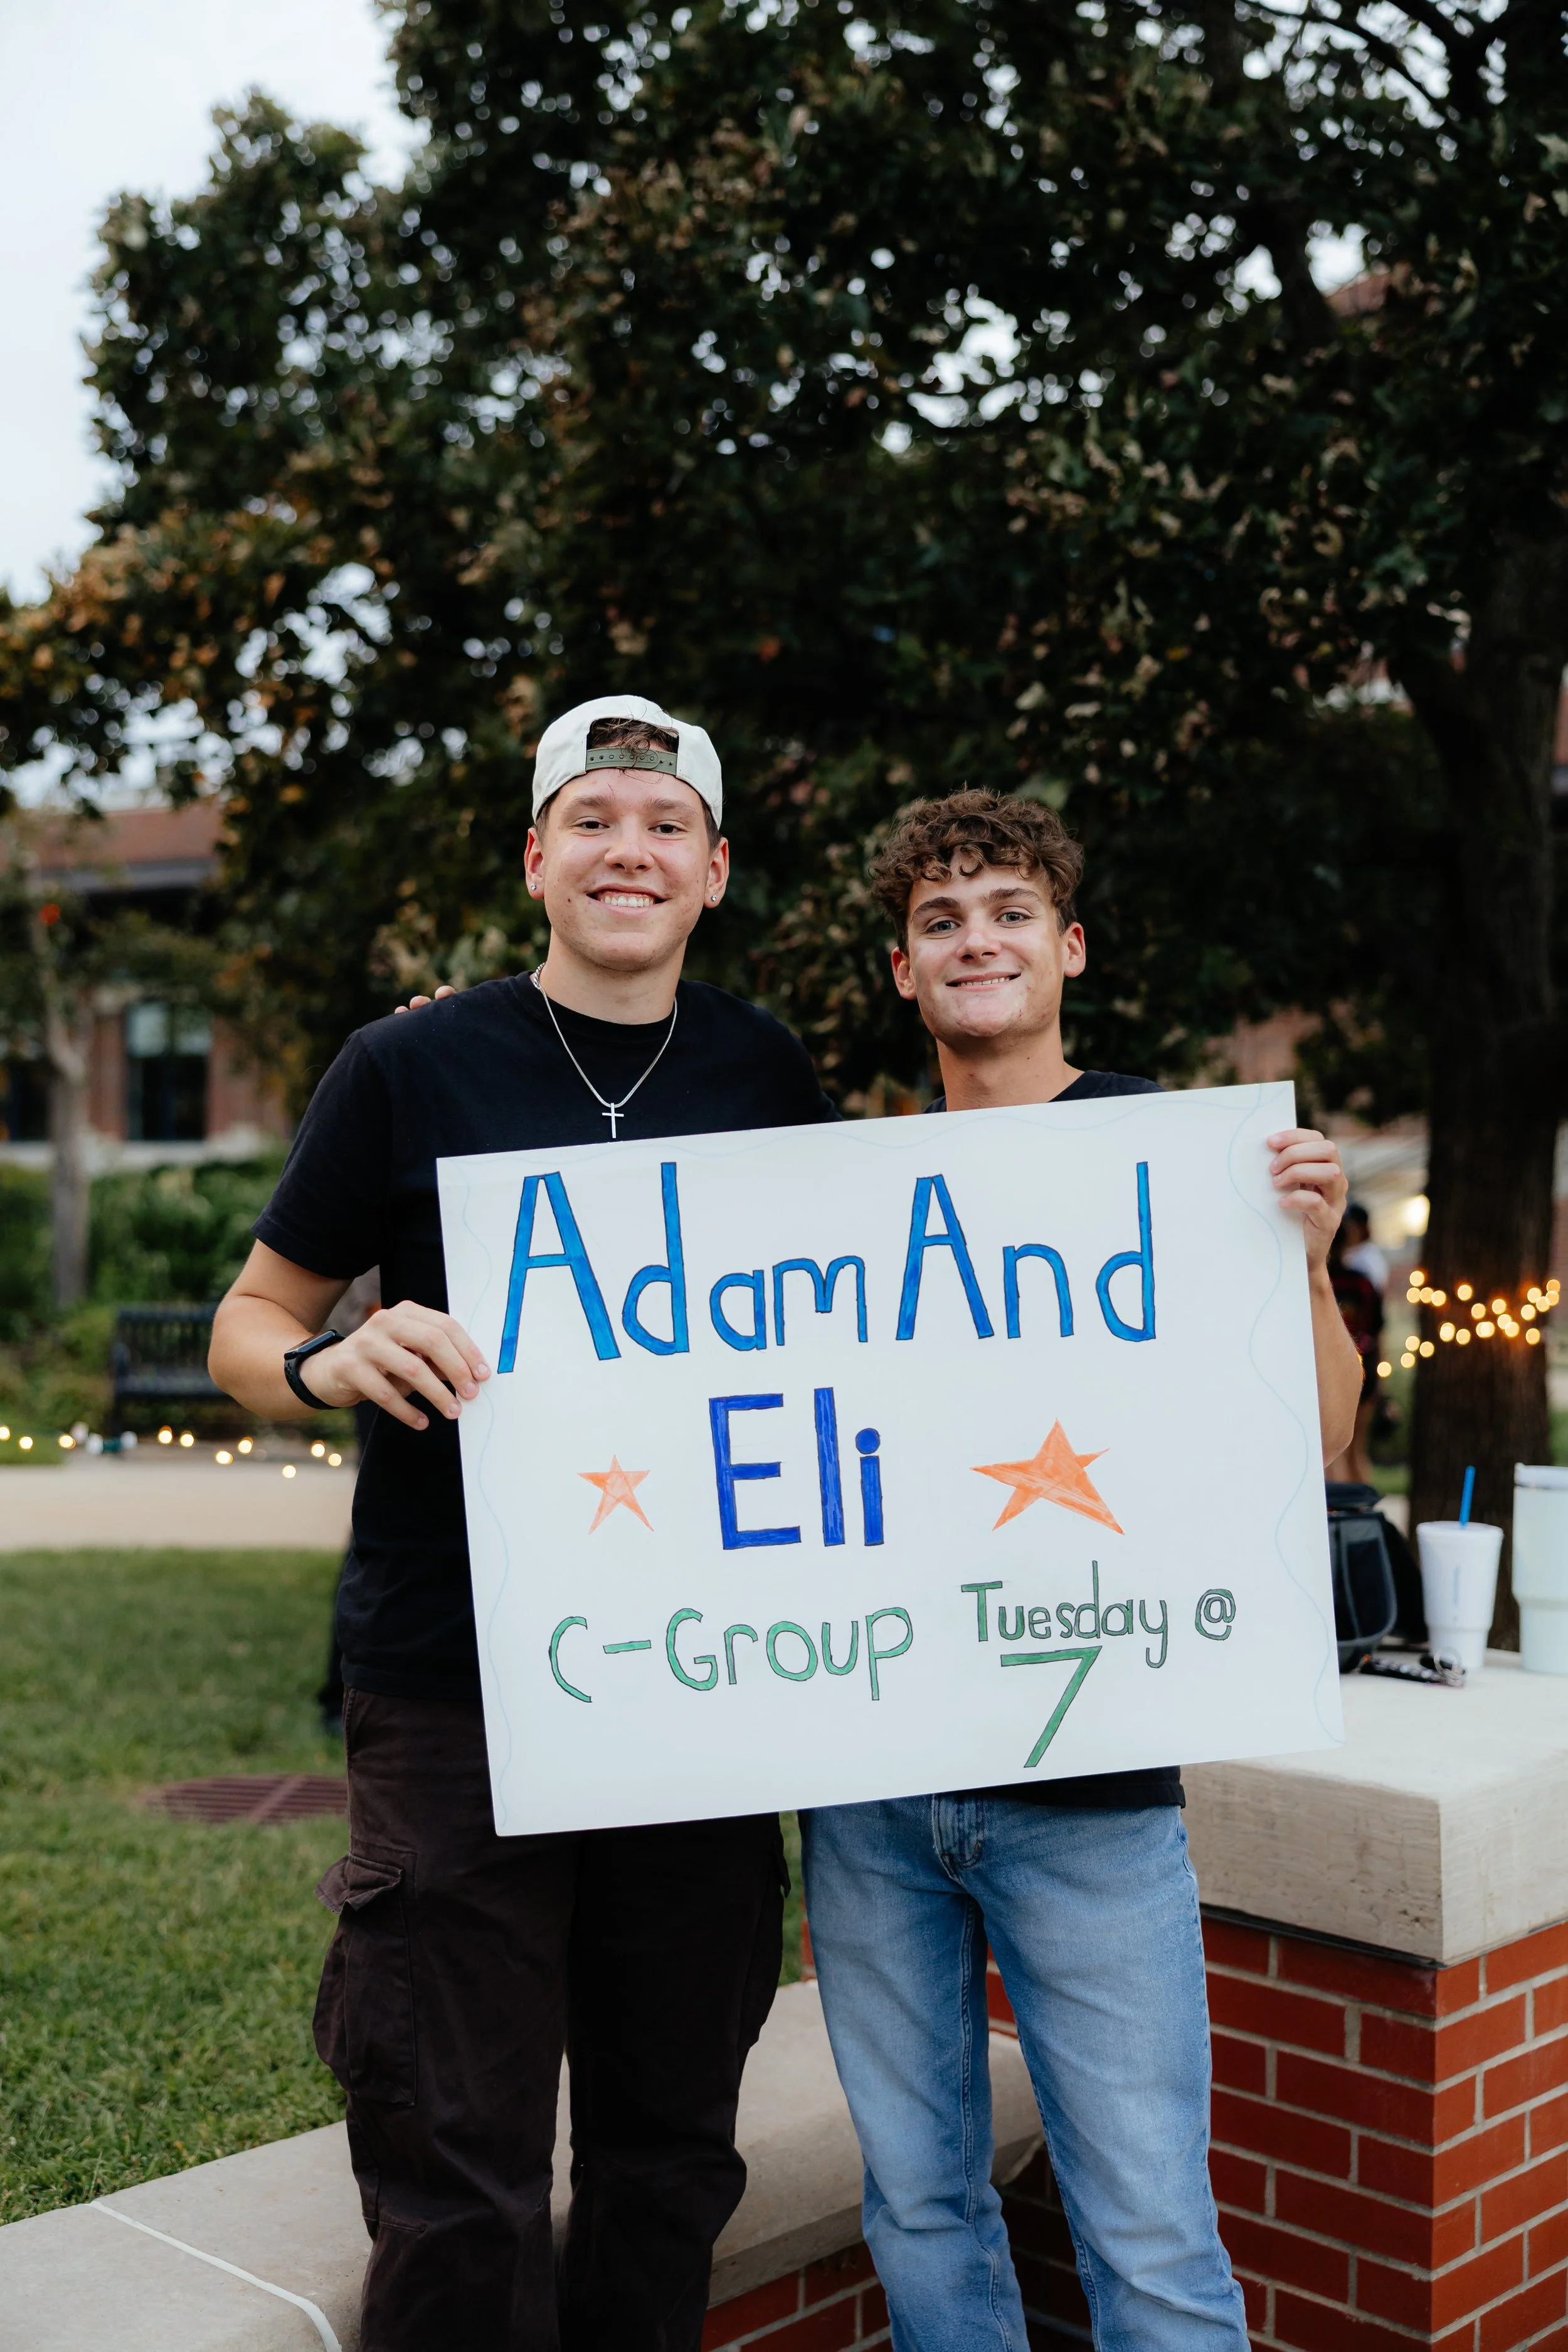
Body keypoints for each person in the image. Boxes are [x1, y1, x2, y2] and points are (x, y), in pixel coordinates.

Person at [208, 697, 834, 2352]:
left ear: (711, 870)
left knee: (668, 2145)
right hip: (454, 1676)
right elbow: (245, 1321)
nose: (628, 846)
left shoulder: (769, 1071)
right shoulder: (405, 1064)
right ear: (537, 857)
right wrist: (328, 1355)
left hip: (697, 1682)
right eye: (593, 816)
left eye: (663, 822)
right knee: (452, 2155)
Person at [797, 789, 1360, 2352]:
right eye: (941, 919)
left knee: (1154, 2238)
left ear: (1070, 945)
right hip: (871, 1793)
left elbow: (1316, 1433)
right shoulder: (831, 1200)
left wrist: (1303, 1262)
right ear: (905, 971)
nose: (976, 937)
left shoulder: (1184, 1160)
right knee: (916, 2200)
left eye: (1008, 910)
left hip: (1095, 1796)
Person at [1325, 1212, 1385, 1488]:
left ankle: (1342, 1523)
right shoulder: (1364, 1283)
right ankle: (1364, 1516)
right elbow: (1377, 1331)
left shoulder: (1319, 1283)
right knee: (1357, 1450)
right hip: (1366, 1368)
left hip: (1328, 1373)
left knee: (1333, 1455)